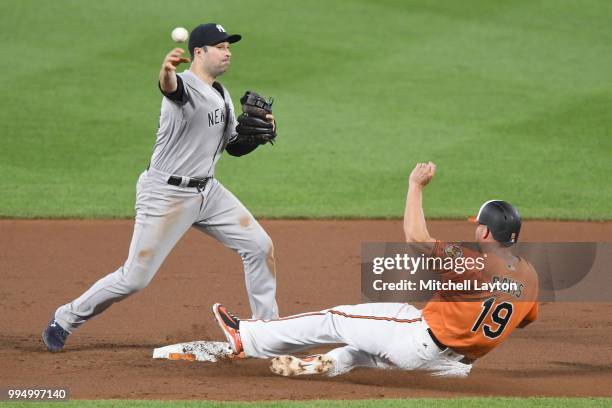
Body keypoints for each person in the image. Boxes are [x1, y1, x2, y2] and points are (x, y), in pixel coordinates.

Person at [42, 23, 279, 352]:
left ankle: (267, 332)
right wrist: (165, 71)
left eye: (229, 47)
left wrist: (260, 133)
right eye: (221, 46)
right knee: (134, 278)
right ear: (199, 52)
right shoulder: (183, 86)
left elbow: (234, 146)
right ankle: (66, 318)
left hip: (208, 193)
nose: (228, 52)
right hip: (166, 195)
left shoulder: (222, 94)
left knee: (259, 246)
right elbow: (170, 88)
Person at [211, 162, 539, 377]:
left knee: (337, 319)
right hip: (452, 368)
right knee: (359, 352)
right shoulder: (530, 277)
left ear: (484, 232)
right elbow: (523, 320)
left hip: (418, 343)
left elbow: (416, 237)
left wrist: (415, 186)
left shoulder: (470, 260)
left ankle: (249, 337)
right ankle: (321, 366)